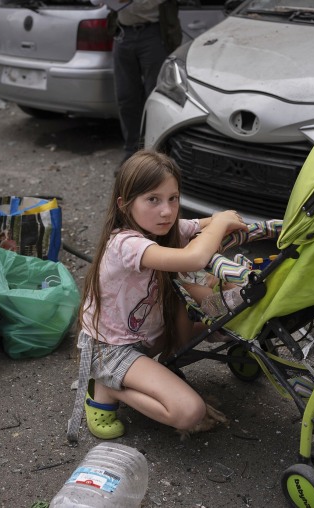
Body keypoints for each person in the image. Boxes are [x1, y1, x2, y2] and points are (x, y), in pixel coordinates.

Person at [66, 150, 246, 442]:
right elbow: (194, 258)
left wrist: (219, 221)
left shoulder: (163, 228)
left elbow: (199, 226)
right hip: (111, 350)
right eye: (153, 199)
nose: (167, 211)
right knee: (189, 412)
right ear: (124, 205)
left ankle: (223, 325)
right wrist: (223, 222)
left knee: (209, 299)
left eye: (173, 198)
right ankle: (107, 388)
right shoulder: (125, 244)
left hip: (148, 334)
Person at [108, 0, 182, 162]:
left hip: (153, 33)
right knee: (126, 97)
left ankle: (156, 155)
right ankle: (132, 153)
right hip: (123, 34)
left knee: (156, 98)